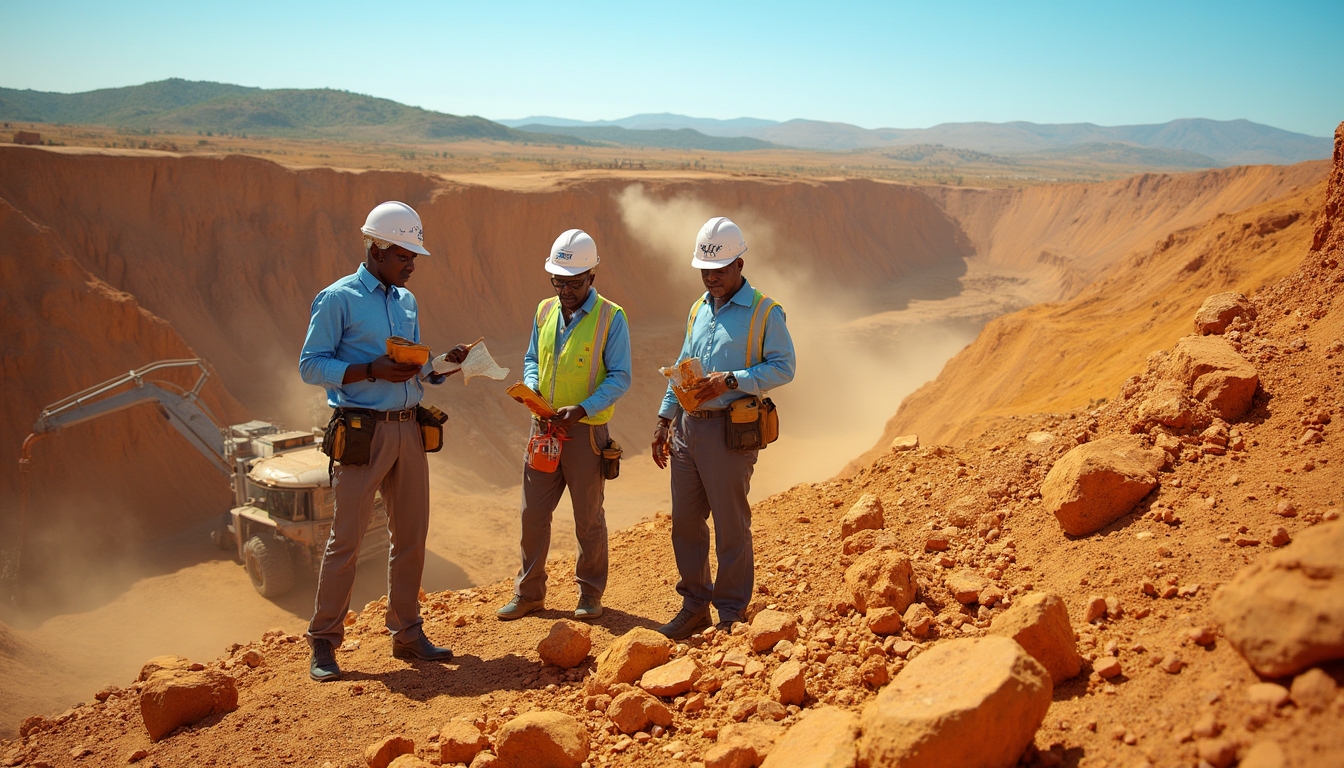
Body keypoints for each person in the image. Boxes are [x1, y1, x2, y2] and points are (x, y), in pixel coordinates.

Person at [299, 200, 470, 682]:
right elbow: (310, 365)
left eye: (414, 257)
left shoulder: (406, 302)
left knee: (411, 536)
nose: (411, 265)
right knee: (346, 540)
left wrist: (440, 365)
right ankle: (325, 643)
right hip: (361, 431)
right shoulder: (338, 299)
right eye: (403, 256)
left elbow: (412, 366)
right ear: (375, 249)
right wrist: (367, 369)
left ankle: (408, 634)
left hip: (408, 427)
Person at [650, 216, 796, 640]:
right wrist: (663, 419)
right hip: (686, 429)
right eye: (704, 270)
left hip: (729, 433)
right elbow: (681, 366)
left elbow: (783, 367)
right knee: (685, 523)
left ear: (740, 263)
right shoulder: (699, 307)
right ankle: (694, 605)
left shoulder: (766, 311)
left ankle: (731, 611)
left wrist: (733, 380)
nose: (710, 277)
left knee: (731, 524)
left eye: (718, 269)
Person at [497, 229, 632, 622]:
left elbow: (620, 377)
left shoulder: (611, 317)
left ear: (592, 276)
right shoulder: (544, 311)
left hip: (585, 434)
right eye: (559, 281)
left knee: (588, 518)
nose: (566, 290)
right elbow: (531, 359)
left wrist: (584, 408)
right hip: (544, 431)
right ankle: (529, 594)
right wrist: (533, 388)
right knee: (532, 515)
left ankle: (590, 594)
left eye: (574, 282)